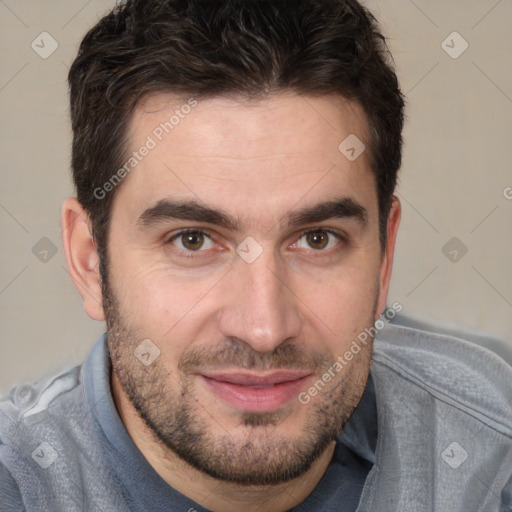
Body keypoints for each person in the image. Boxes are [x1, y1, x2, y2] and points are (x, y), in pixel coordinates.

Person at [1, 0, 511, 510]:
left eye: (317, 239)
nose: (264, 329)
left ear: (383, 258)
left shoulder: (492, 447)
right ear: (90, 262)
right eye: (193, 240)